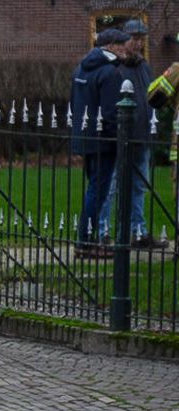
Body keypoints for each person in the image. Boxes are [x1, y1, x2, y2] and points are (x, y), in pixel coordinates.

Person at [70, 28, 128, 251]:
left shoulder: (80, 69)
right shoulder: (110, 73)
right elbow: (112, 114)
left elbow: (74, 104)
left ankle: (86, 237)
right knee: (98, 191)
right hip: (104, 141)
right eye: (122, 44)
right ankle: (85, 240)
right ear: (112, 46)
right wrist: (120, 140)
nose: (126, 48)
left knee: (93, 188)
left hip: (85, 138)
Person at [106, 20, 162, 248]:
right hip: (121, 139)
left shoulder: (144, 67)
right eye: (134, 38)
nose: (138, 43)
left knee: (139, 187)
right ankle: (102, 232)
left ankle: (138, 232)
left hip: (142, 137)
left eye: (141, 38)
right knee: (112, 187)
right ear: (124, 39)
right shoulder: (116, 67)